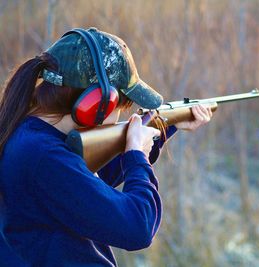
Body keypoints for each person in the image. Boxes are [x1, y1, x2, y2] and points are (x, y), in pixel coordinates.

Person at [0, 28, 212, 266]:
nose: (122, 115)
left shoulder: (28, 136)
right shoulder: (43, 156)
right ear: (98, 103)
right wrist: (137, 155)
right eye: (122, 107)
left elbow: (87, 187)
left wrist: (166, 127)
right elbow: (138, 227)